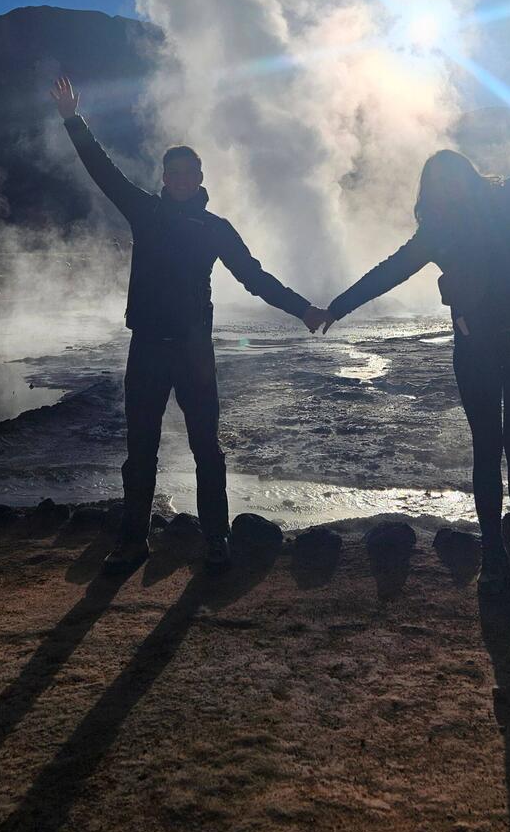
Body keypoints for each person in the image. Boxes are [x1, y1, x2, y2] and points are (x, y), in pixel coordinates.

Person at [320, 62, 510, 595]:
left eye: (452, 177)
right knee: (486, 447)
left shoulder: (506, 199)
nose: (447, 188)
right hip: (474, 349)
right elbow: (387, 272)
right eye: (437, 182)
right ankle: (494, 551)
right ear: (430, 191)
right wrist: (337, 306)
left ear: (467, 177)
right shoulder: (434, 234)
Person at [50, 76, 327, 576]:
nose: (180, 178)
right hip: (149, 348)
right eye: (173, 172)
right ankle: (133, 542)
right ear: (164, 177)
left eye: (189, 172)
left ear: (200, 178)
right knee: (141, 450)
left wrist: (303, 309)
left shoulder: (215, 229)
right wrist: (74, 119)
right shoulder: (145, 211)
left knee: (206, 447)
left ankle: (215, 539)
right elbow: (102, 170)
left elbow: (255, 278)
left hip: (195, 350)